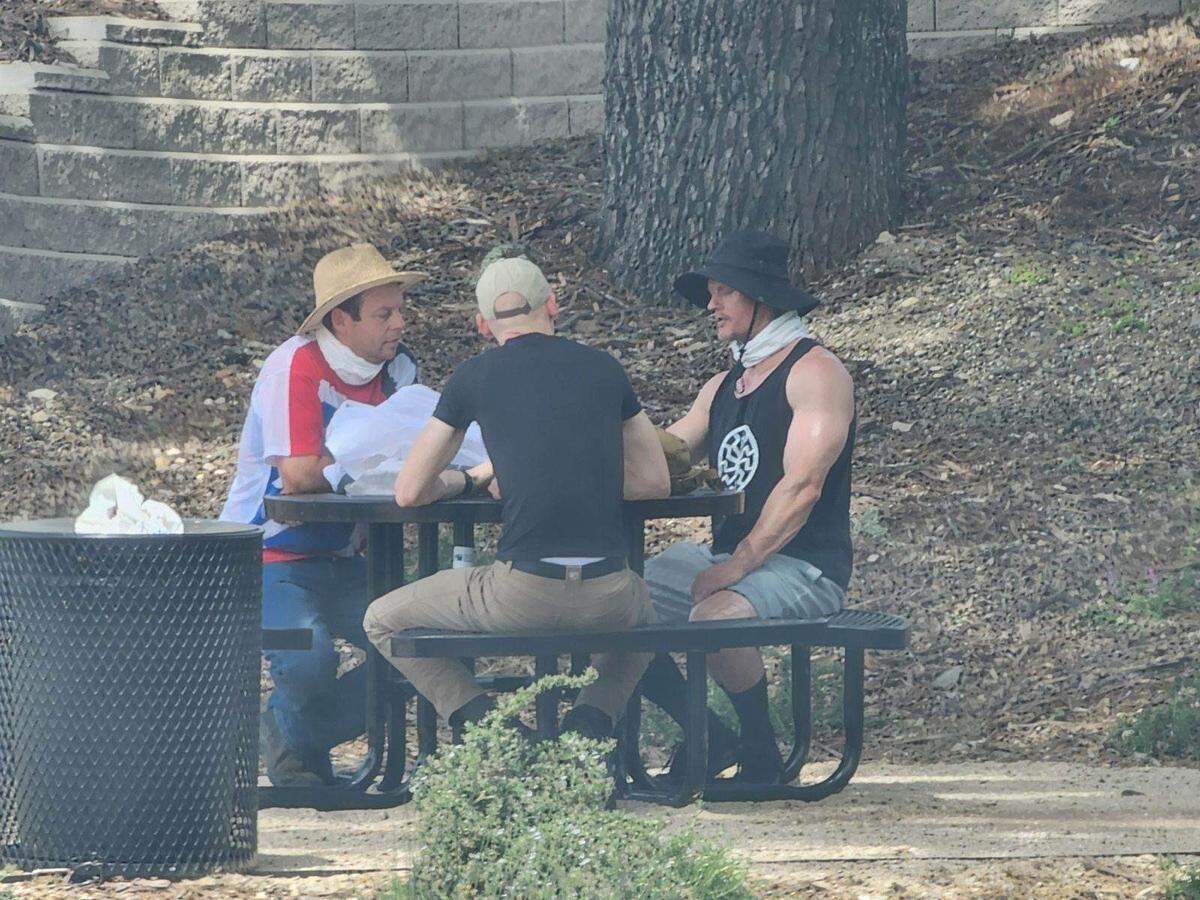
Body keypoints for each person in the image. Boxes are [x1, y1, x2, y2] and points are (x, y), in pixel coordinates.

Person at [363, 253, 670, 742]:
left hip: (523, 593)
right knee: (646, 612)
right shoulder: (605, 369)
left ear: (482, 325)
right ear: (553, 306)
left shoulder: (474, 377)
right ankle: (592, 719)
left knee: (380, 619)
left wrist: (469, 479)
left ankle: (495, 730)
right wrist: (579, 476)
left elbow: (410, 490)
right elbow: (655, 481)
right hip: (610, 593)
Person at [638, 230, 856, 784]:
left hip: (805, 566)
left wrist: (736, 566)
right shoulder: (723, 385)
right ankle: (712, 734)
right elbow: (668, 454)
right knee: (615, 604)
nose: (711, 305)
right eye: (710, 292)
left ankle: (761, 753)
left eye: (723, 293)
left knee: (714, 616)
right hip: (733, 556)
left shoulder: (817, 372)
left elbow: (802, 487)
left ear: (762, 297)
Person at [221, 242, 426, 786]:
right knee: (307, 657)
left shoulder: (401, 371)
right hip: (267, 560)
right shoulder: (295, 364)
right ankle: (294, 739)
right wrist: (374, 456)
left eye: (400, 310)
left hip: (352, 556)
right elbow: (300, 474)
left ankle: (288, 732)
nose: (400, 324)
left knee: (420, 649)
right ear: (342, 319)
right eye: (385, 314)